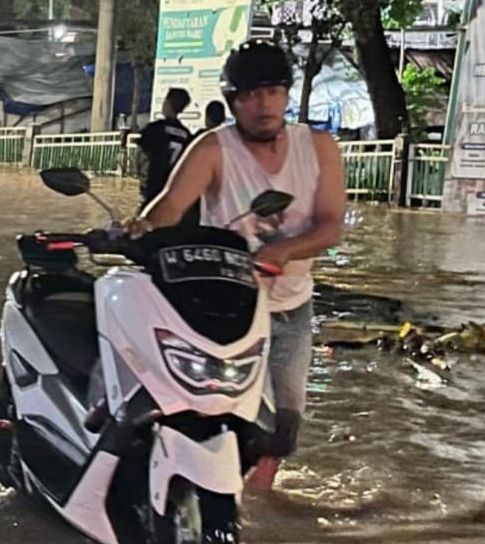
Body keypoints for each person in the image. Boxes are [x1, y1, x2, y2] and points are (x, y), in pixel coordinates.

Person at [125, 41, 347, 492]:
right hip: (224, 306)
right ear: (233, 102)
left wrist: (282, 251)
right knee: (215, 411)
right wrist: (141, 229)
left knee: (282, 427)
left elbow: (330, 228)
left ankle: (258, 507)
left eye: (271, 91)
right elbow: (169, 208)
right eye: (248, 95)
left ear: (286, 95)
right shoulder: (212, 149)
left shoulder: (320, 148)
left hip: (291, 307)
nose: (262, 104)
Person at [137, 87, 193, 210]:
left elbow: (142, 155)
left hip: (154, 187)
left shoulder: (155, 129)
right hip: (173, 189)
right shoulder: (186, 134)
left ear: (168, 103)